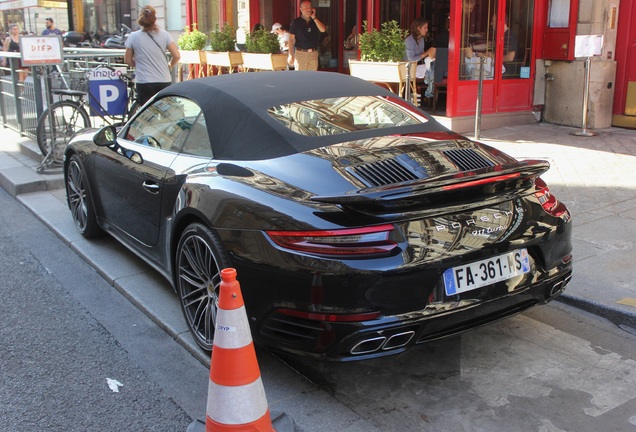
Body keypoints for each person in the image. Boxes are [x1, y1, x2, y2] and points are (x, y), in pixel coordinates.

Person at [124, 5, 180, 105]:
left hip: (144, 81)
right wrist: (169, 65)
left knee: (148, 115)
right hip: (163, 79)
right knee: (166, 113)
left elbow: (127, 60)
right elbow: (176, 55)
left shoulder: (133, 36)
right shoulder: (164, 34)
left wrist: (139, 65)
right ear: (154, 19)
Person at [288, 1, 326, 71]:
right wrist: (291, 54)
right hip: (301, 54)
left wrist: (314, 17)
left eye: (310, 7)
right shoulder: (296, 22)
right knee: (301, 78)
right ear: (301, 9)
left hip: (313, 53)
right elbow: (291, 39)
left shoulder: (315, 21)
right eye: (306, 7)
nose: (309, 9)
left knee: (312, 78)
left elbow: (323, 30)